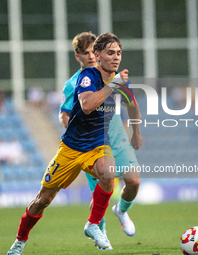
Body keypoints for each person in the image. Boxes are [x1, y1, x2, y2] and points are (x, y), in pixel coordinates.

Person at [7, 32, 142, 254]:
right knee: (43, 200)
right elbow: (87, 105)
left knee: (109, 173)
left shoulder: (120, 79)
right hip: (72, 147)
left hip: (99, 144)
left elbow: (132, 103)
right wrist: (114, 85)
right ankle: (19, 241)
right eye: (110, 53)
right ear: (98, 56)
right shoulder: (87, 76)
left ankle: (93, 225)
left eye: (118, 53)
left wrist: (136, 131)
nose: (116, 57)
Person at [59, 32, 141, 250]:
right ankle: (100, 231)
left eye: (92, 51)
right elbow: (64, 114)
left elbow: (129, 102)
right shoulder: (75, 83)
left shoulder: (112, 75)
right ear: (78, 56)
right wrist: (78, 132)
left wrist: (134, 131)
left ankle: (121, 210)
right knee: (101, 188)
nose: (90, 57)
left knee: (133, 182)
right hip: (91, 143)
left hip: (116, 136)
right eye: (85, 53)